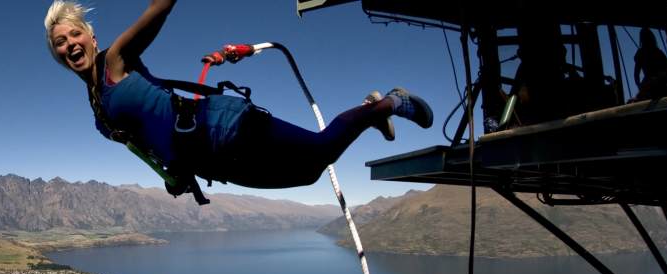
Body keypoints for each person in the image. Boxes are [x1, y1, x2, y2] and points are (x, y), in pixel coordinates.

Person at [43, 0, 432, 201]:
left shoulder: (116, 61)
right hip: (208, 159)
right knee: (309, 174)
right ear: (56, 55)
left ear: (91, 37)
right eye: (60, 42)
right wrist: (176, 175)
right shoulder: (98, 111)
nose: (70, 44)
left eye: (75, 34)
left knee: (320, 151)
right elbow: (147, 143)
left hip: (223, 126)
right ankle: (369, 112)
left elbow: (160, 6)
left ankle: (388, 104)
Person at [632, 27, 667, 101]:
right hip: (651, 84)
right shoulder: (643, 53)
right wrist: (641, 86)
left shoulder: (657, 52)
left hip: (661, 82)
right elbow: (636, 74)